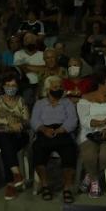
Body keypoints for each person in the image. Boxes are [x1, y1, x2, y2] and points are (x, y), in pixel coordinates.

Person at [31, 75, 79, 203]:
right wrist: (43, 129)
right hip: (44, 131)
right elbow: (34, 121)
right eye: (55, 87)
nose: (58, 89)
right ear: (48, 89)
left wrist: (60, 130)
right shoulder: (40, 104)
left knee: (70, 151)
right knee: (38, 151)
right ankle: (45, 185)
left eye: (60, 87)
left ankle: (67, 188)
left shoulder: (67, 103)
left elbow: (73, 121)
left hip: (62, 131)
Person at [77, 70, 106, 198]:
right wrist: (102, 122)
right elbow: (85, 121)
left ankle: (90, 176)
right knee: (89, 155)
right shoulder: (84, 99)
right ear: (99, 83)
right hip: (90, 134)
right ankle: (95, 181)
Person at [0, 73, 30, 200]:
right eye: (8, 85)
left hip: (18, 135)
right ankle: (16, 175)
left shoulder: (21, 101)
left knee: (7, 144)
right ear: (3, 86)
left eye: (13, 85)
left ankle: (12, 182)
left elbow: (27, 120)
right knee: (4, 139)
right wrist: (9, 124)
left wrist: (20, 124)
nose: (10, 87)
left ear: (17, 87)